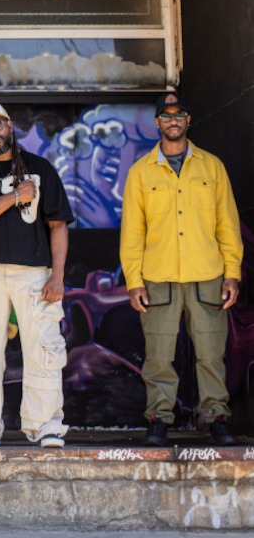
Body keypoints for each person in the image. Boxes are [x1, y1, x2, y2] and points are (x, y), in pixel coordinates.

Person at [120, 92, 243, 447]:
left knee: (211, 355)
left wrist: (232, 273)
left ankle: (217, 418)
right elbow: (133, 232)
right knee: (159, 356)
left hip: (208, 275)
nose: (172, 121)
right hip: (158, 279)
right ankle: (158, 420)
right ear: (157, 123)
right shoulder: (141, 172)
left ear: (188, 120)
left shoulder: (212, 167)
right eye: (166, 116)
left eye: (179, 115)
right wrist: (134, 281)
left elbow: (227, 224)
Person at [0, 101, 73, 449]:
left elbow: (58, 225)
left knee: (43, 348)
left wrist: (57, 276)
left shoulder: (40, 168)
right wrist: (13, 197)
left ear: (9, 125)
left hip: (35, 273)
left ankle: (45, 426)